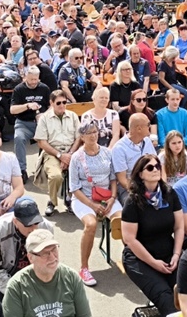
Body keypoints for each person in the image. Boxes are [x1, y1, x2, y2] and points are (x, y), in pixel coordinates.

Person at [121, 152, 186, 313]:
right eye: (150, 167)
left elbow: (179, 227)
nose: (156, 169)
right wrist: (153, 262)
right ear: (140, 174)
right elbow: (129, 239)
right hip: (140, 258)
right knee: (165, 298)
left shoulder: (169, 194)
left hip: (169, 253)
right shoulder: (133, 201)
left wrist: (177, 255)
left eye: (158, 166)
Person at [68, 123, 119, 286]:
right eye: (89, 133)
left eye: (95, 132)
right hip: (84, 198)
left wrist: (112, 198)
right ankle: (84, 267)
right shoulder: (76, 158)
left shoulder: (107, 153)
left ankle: (131, 259)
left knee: (125, 221)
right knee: (90, 225)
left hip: (106, 197)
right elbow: (74, 189)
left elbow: (113, 179)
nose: (93, 135)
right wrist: (92, 205)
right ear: (82, 137)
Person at [0, 228, 92, 317]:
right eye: (45, 253)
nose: (52, 257)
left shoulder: (71, 277)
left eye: (54, 250)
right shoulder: (16, 287)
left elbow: (85, 315)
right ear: (31, 257)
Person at [0, 199, 52, 293]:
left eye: (36, 223)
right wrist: (18, 291)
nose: (34, 229)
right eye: (28, 225)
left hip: (33, 277)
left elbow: (49, 261)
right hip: (3, 277)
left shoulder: (46, 228)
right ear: (15, 222)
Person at [34, 89, 80, 216]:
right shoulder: (44, 119)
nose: (62, 105)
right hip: (53, 152)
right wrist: (60, 155)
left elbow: (79, 138)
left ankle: (71, 200)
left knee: (79, 172)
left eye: (64, 102)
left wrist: (69, 155)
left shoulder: (73, 116)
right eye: (58, 103)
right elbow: (41, 142)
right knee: (55, 176)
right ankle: (52, 202)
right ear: (51, 103)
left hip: (72, 152)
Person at [9, 66, 51, 182]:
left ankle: (44, 166)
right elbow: (12, 110)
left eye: (36, 79)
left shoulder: (44, 88)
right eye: (31, 79)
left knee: (48, 139)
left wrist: (44, 115)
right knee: (18, 138)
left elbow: (51, 106)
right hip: (23, 123)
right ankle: (21, 170)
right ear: (26, 77)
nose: (33, 82)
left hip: (41, 123)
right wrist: (27, 105)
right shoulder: (19, 89)